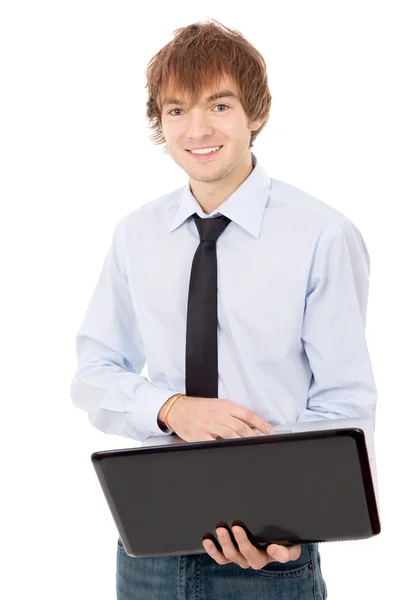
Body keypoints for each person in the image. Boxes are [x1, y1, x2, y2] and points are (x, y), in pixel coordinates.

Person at [70, 18, 377, 600]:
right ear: (161, 123)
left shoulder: (323, 235)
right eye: (177, 110)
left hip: (271, 552)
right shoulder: (137, 235)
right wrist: (171, 408)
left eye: (219, 104)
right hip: (151, 548)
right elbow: (94, 372)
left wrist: (295, 523)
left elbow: (343, 401)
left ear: (255, 114)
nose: (198, 128)